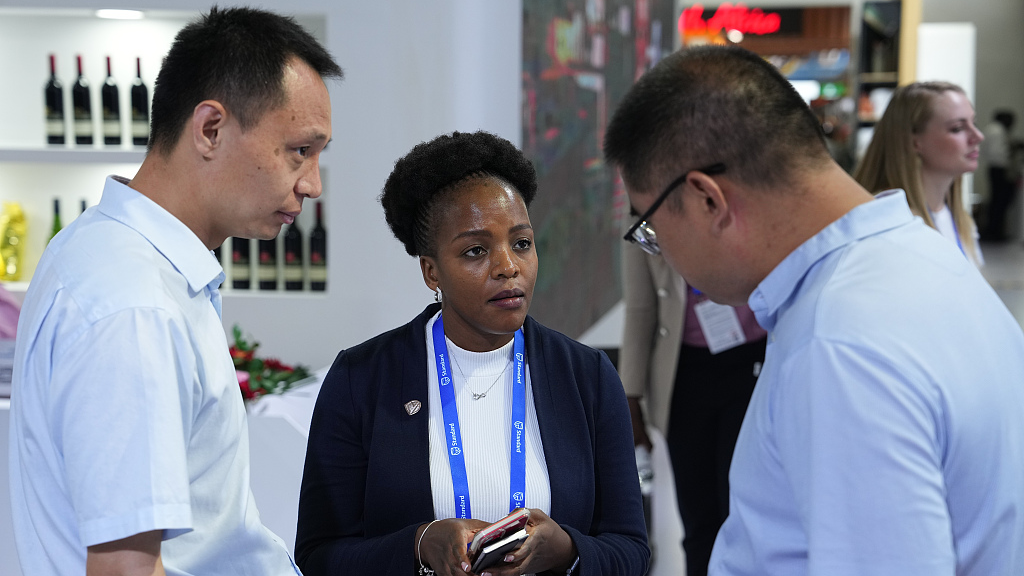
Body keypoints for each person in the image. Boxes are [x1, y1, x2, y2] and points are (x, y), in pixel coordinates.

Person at [604, 45, 1024, 576]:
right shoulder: (923, 256)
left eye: (653, 228)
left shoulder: (839, 345)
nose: (659, 248)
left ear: (708, 199)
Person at [9, 7, 341, 575]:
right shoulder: (135, 305)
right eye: (299, 151)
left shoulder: (113, 256)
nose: (311, 184)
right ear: (210, 128)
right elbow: (124, 568)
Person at [295, 131, 649, 576]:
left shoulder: (587, 377)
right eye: (476, 251)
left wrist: (567, 549)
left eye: (521, 242)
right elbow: (318, 555)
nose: (508, 266)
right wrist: (419, 544)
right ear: (431, 270)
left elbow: (631, 550)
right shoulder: (362, 378)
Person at [619, 243, 765, 576]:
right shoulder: (645, 208)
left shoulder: (740, 194)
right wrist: (630, 398)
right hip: (685, 374)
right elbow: (641, 309)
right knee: (699, 518)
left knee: (741, 508)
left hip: (751, 364)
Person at [853, 82, 985, 266]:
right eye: (957, 128)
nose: (978, 136)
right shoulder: (887, 225)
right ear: (914, 141)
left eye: (974, 123)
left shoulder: (960, 220)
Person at [981, 109, 1017, 241]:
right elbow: (998, 154)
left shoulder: (992, 129)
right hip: (999, 169)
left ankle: (994, 230)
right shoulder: (997, 130)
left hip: (994, 169)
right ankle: (995, 232)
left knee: (997, 200)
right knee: (1000, 201)